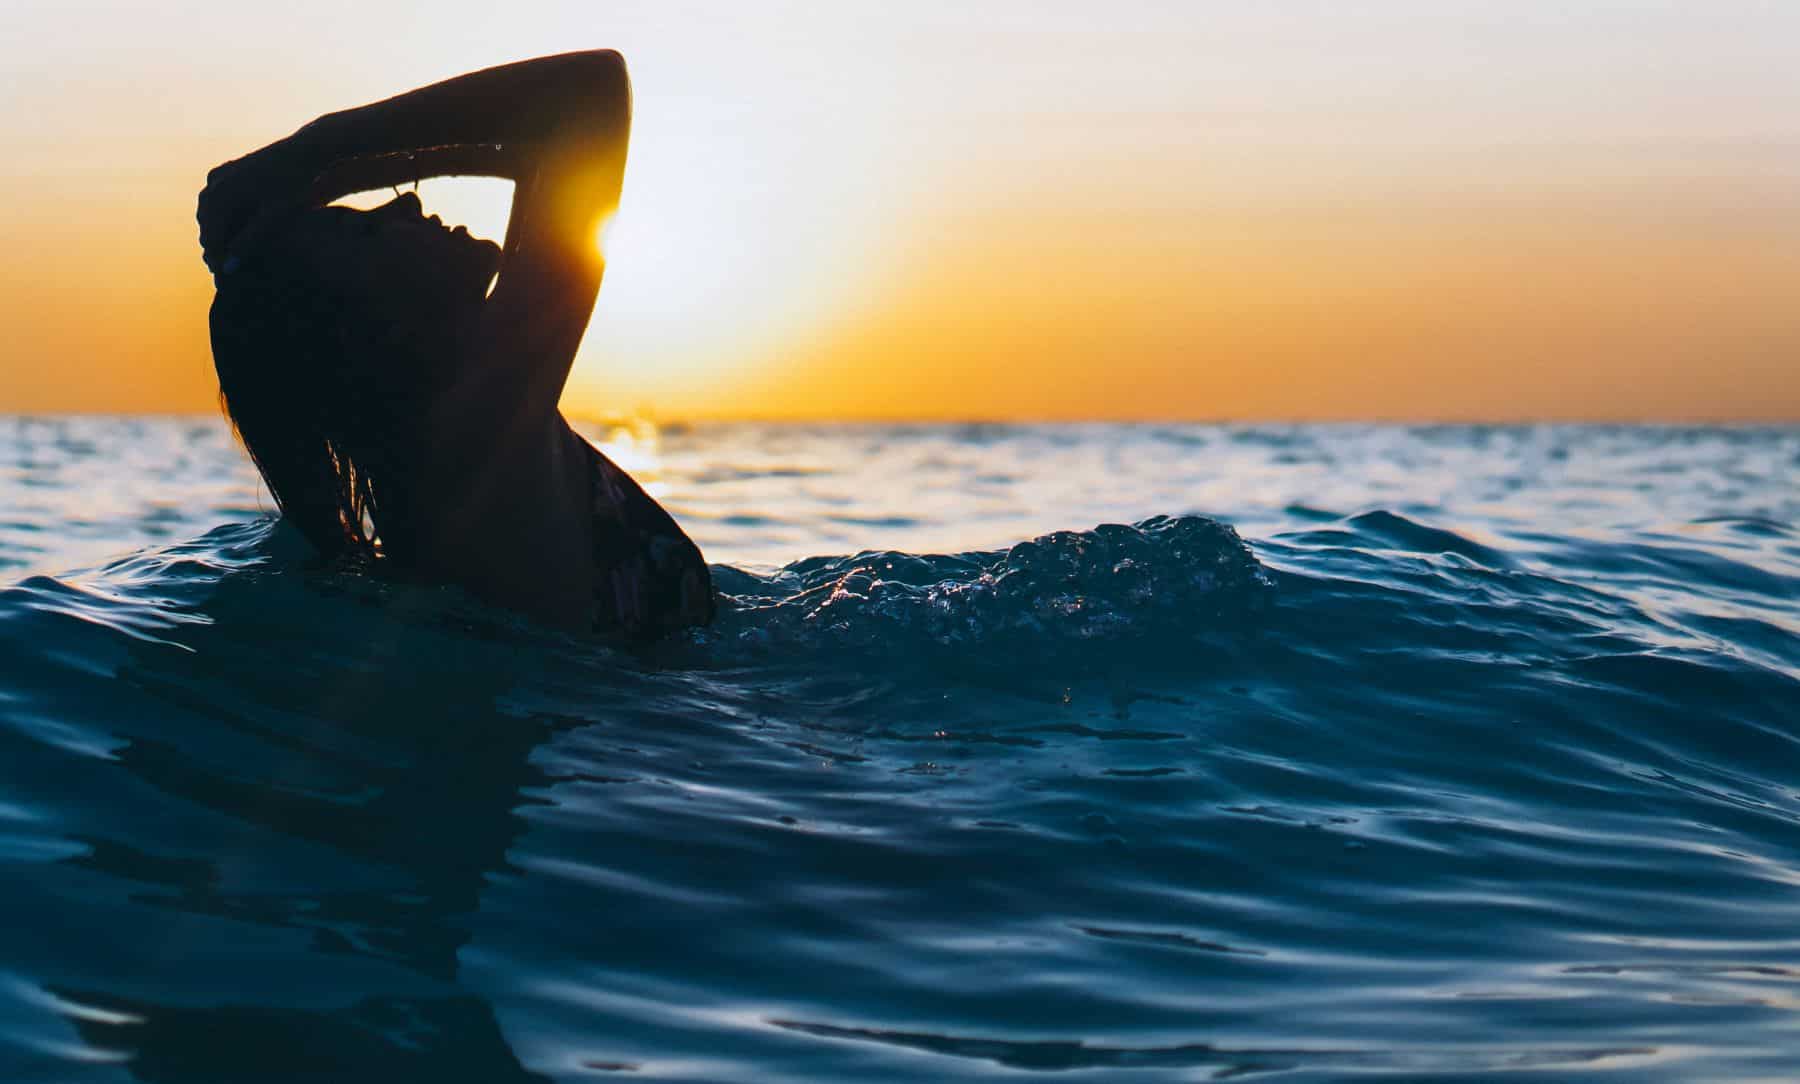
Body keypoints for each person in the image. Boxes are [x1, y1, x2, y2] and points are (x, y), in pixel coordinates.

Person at [198, 51, 715, 640]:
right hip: (689, 721)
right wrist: (315, 148)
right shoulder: (478, 430)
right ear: (378, 330)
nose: (406, 202)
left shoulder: (442, 454)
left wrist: (330, 175)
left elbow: (545, 153)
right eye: (368, 229)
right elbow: (590, 89)